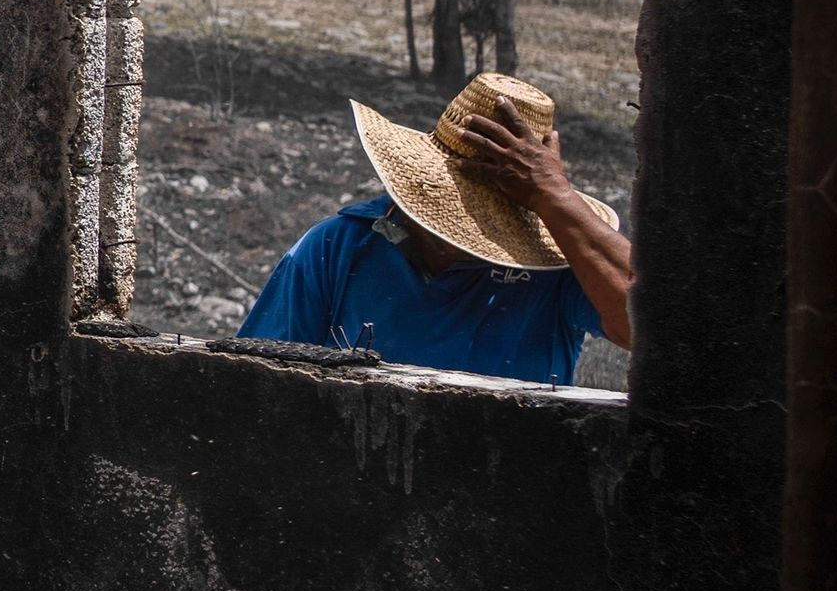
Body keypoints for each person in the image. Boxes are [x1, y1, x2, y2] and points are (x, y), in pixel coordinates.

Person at [233, 72, 635, 387]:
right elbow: (254, 380)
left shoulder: (560, 264)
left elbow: (649, 328)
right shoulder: (338, 247)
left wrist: (557, 200)